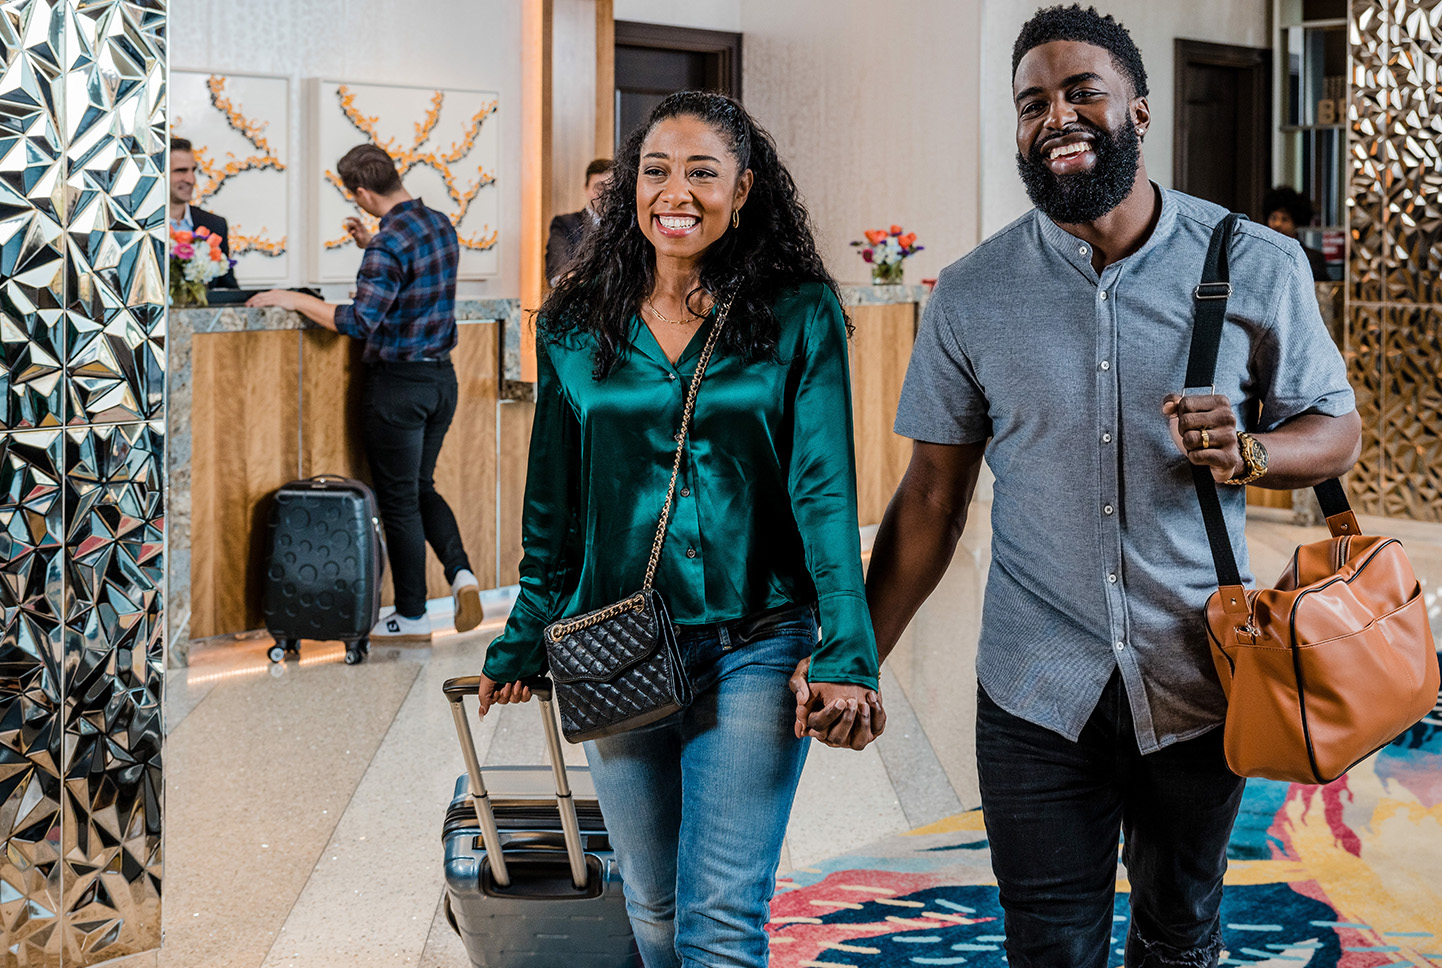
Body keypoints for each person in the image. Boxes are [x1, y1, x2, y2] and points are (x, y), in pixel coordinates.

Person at [802, 6, 1361, 966]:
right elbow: (930, 498)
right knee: (1048, 947)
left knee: (1180, 932)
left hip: (1201, 674)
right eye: (1031, 103)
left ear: (1138, 110)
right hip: (1033, 688)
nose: (1055, 114)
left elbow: (1337, 427)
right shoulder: (972, 294)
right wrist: (857, 656)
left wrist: (1251, 454)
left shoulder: (1255, 265)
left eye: (1081, 91)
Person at [476, 91, 884, 968]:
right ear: (630, 189)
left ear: (744, 192)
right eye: (656, 171)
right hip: (615, 641)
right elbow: (554, 505)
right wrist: (520, 638)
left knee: (722, 919)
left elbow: (824, 490)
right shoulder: (575, 325)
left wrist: (848, 645)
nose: (678, 191)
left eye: (704, 172)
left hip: (760, 642)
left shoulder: (797, 311)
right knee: (655, 908)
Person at [247, 144, 483, 642]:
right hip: (441, 381)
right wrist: (369, 244)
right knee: (423, 486)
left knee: (398, 501)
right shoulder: (438, 222)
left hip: (396, 388)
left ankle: (413, 617)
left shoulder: (387, 243)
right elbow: (412, 275)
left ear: (360, 192)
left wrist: (292, 298)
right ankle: (462, 574)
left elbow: (359, 320)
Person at [169, 136, 239, 289]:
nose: (191, 179)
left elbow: (227, 289)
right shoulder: (143, 227)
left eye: (193, 170)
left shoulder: (215, 225)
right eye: (181, 171)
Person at [545, 157, 614, 285]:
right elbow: (559, 271)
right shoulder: (565, 224)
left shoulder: (625, 226)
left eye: (611, 188)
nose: (605, 194)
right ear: (586, 188)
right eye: (599, 188)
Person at [1262, 185, 1332, 281]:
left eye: (1285, 219)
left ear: (1296, 224)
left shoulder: (1312, 258)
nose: (1277, 224)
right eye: (1273, 218)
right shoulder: (1261, 254)